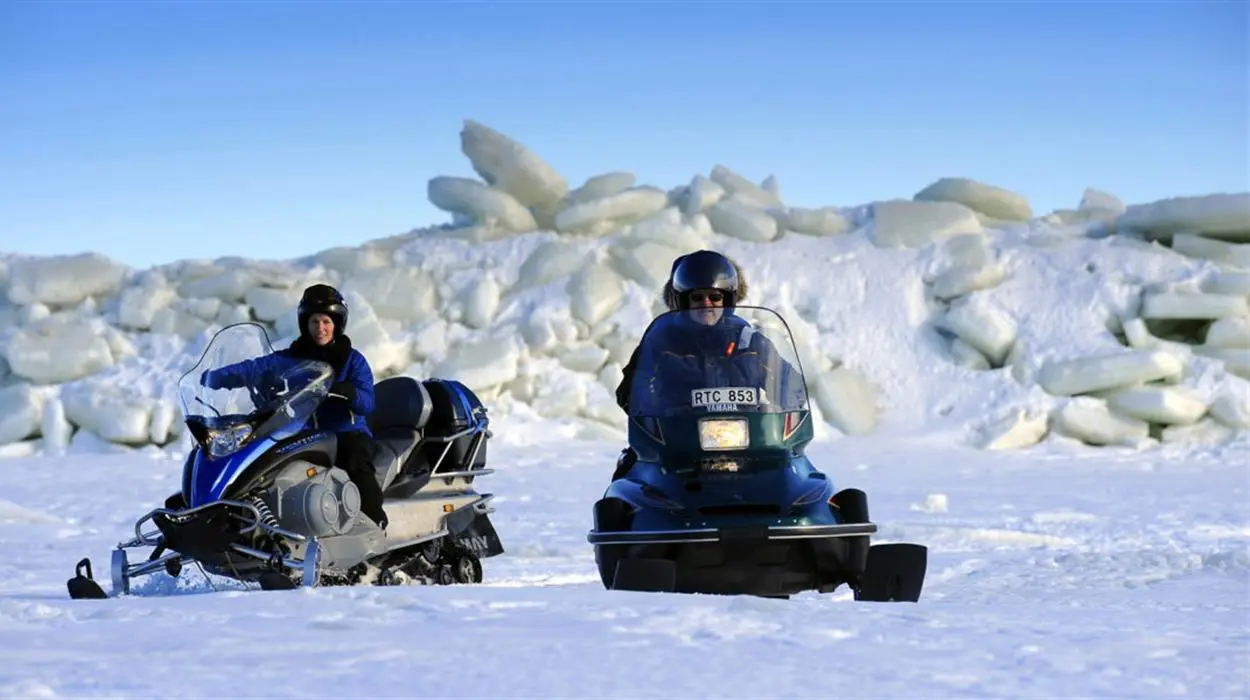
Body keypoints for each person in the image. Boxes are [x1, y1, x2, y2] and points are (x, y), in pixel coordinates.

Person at [201, 284, 389, 530]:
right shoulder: (292, 358)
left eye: (326, 322)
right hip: (303, 431)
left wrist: (348, 392)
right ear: (305, 324)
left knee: (355, 461)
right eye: (314, 321)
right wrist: (217, 377)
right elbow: (255, 368)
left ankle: (375, 522)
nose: (320, 328)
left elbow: (368, 402)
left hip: (345, 431)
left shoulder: (353, 360)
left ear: (336, 324)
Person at [609, 250, 802, 479]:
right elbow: (631, 391)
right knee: (627, 484)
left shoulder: (750, 342)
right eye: (697, 297)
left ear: (727, 300)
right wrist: (658, 413)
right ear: (683, 301)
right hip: (678, 449)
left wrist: (780, 412)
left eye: (715, 297)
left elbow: (791, 384)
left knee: (804, 480)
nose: (706, 304)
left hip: (750, 448)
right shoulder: (661, 343)